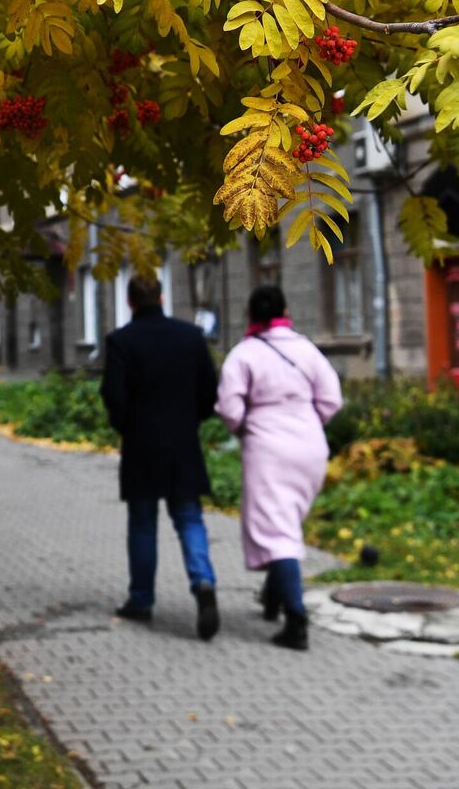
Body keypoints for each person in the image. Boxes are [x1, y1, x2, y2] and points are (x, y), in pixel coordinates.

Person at [215, 285, 344, 651]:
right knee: (286, 522)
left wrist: (246, 428)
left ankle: (296, 620)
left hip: (268, 448)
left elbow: (229, 409)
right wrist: (307, 422)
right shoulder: (307, 349)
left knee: (277, 531)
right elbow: (332, 399)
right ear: (285, 311)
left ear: (251, 315)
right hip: (310, 446)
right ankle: (273, 598)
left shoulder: (243, 355)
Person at [100, 273, 222, 640]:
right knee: (189, 518)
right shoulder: (191, 337)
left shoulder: (121, 341)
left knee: (142, 523)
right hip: (183, 442)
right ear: (163, 298)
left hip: (141, 445)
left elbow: (113, 396)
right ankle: (203, 582)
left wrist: (127, 427)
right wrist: (190, 420)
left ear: (130, 302)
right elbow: (209, 391)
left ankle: (141, 599)